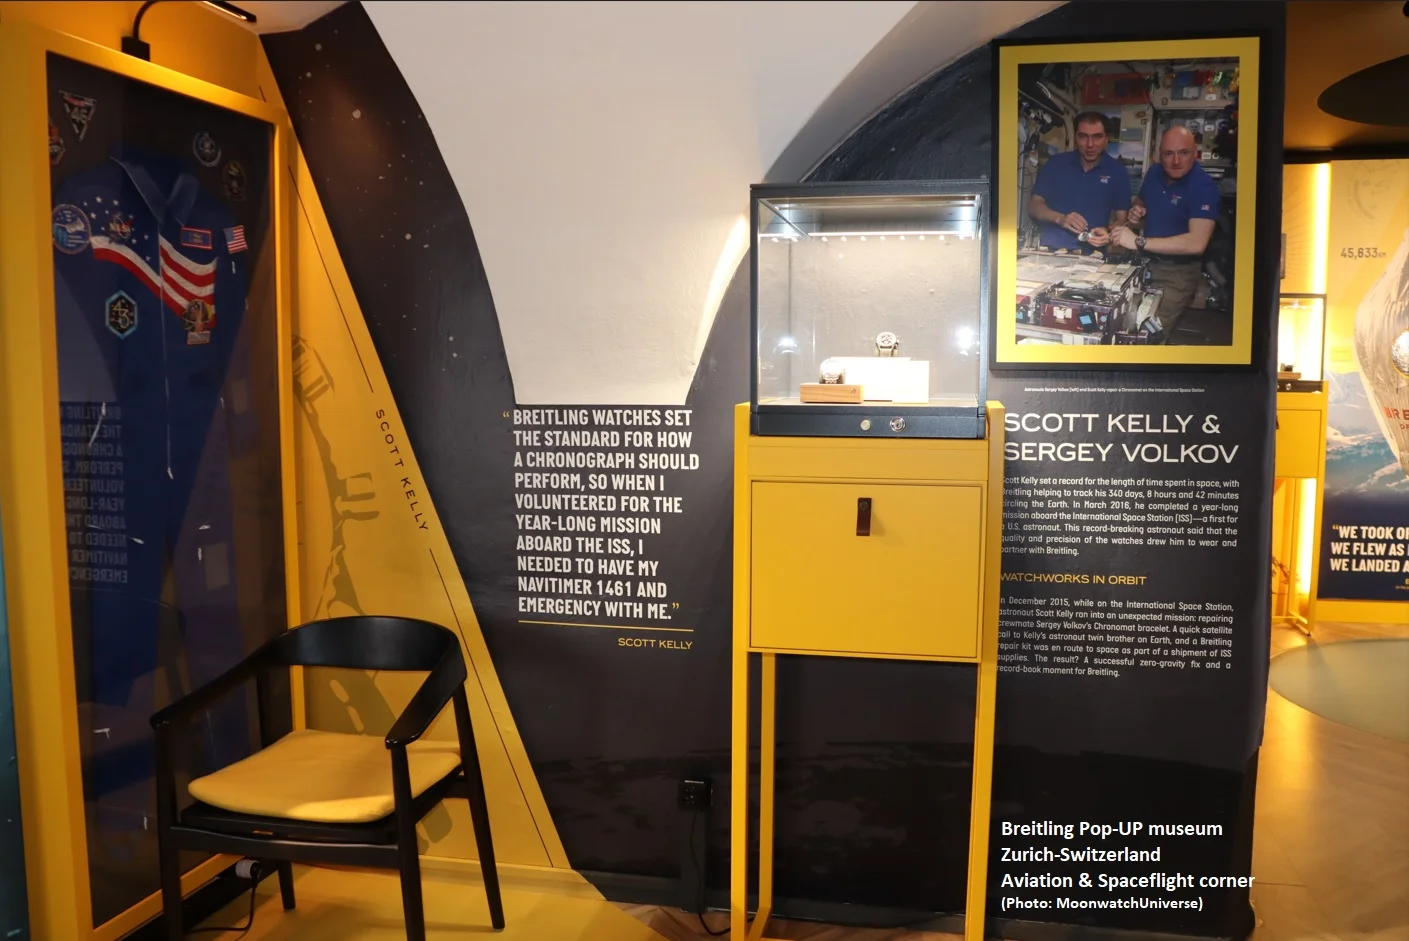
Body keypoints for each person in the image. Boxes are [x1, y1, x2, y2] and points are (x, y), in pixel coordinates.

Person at [1110, 125, 1222, 328]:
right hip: (1144, 263)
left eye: (1184, 153)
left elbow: (1197, 243)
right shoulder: (1154, 172)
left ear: (1194, 152)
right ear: (1159, 154)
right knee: (1118, 320)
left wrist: (1138, 241)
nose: (1176, 161)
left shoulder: (1203, 187)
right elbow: (1141, 205)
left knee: (1147, 332)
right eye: (1169, 154)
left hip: (1176, 273)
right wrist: (1137, 214)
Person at [1026, 111, 1131, 253]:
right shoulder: (1056, 164)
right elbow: (1033, 206)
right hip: (1049, 252)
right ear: (1075, 137)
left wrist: (1108, 233)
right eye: (1083, 136)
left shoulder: (1118, 171)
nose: (1090, 144)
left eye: (1097, 137)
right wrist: (1060, 218)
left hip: (1093, 254)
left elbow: (1122, 220)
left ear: (1106, 139)